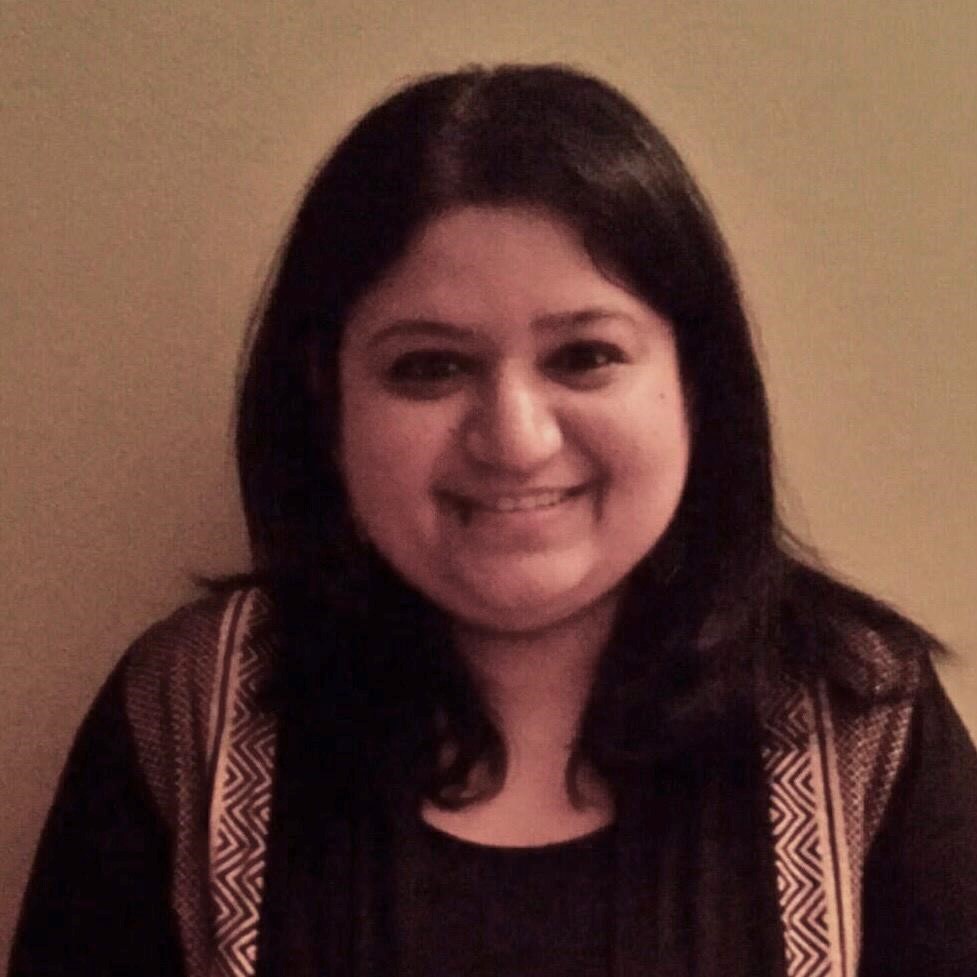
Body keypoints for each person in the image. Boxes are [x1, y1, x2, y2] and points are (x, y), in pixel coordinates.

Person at [9, 63, 977, 977]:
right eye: (429, 366)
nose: (514, 440)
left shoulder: (859, 716)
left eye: (584, 355)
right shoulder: (191, 709)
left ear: (692, 379)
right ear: (325, 393)